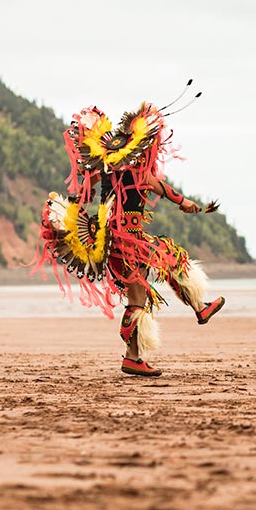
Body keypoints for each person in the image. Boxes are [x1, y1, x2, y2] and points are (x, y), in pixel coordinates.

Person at [33, 101, 225, 378]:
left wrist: (74, 209)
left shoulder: (103, 173)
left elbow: (84, 196)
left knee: (152, 281)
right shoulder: (141, 174)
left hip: (112, 243)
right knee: (154, 280)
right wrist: (190, 204)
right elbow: (173, 195)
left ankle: (193, 313)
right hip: (129, 242)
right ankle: (138, 355)